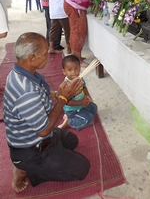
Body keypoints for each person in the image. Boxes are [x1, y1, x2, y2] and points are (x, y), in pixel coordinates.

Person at [3, 32, 90, 193]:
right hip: (31, 148)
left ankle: (43, 158)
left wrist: (58, 95)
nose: (47, 56)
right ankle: (27, 169)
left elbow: (42, 93)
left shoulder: (22, 72)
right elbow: (43, 131)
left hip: (37, 137)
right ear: (31, 58)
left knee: (72, 141)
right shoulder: (25, 92)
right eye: (44, 54)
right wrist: (64, 98)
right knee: (83, 168)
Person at [58, 55, 97, 130]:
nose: (74, 72)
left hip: (81, 105)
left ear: (80, 68)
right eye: (69, 70)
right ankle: (69, 122)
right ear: (64, 72)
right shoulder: (66, 85)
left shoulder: (80, 78)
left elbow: (84, 87)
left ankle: (71, 116)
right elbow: (67, 102)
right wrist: (81, 103)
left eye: (76, 69)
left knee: (94, 108)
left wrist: (87, 96)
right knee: (89, 119)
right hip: (72, 109)